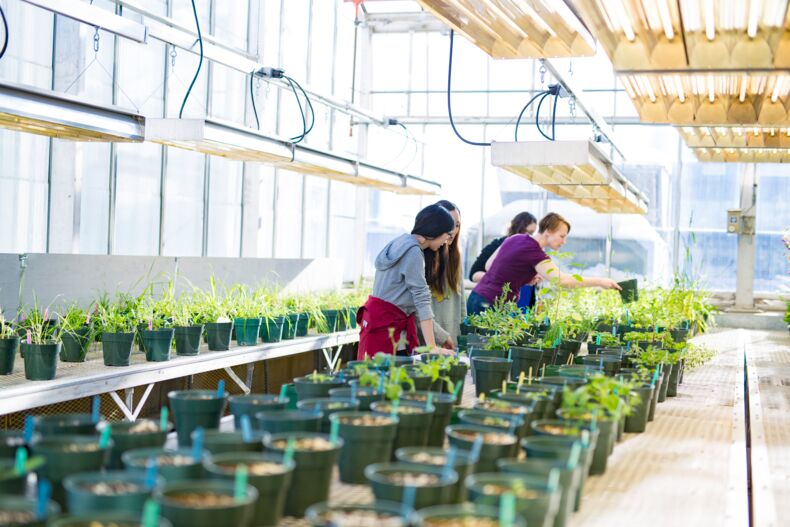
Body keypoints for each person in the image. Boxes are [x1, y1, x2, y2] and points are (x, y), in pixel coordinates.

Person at [466, 212, 620, 315]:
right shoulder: (535, 252)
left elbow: (489, 265)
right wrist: (600, 281)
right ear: (548, 231)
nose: (564, 242)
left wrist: (524, 278)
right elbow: (562, 281)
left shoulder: (515, 238)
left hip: (477, 298)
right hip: (490, 304)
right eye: (562, 236)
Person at [357, 204, 456, 359]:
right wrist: (432, 348)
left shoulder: (400, 242)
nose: (447, 240)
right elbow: (421, 299)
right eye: (447, 234)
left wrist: (440, 337)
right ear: (436, 230)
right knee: (384, 379)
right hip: (387, 328)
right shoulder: (413, 252)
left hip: (376, 323)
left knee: (373, 378)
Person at [417, 200, 466, 350]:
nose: (452, 231)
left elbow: (461, 303)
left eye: (457, 225)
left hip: (450, 342)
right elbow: (418, 309)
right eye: (450, 224)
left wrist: (462, 336)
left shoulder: (455, 258)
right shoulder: (421, 256)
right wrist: (440, 336)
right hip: (427, 340)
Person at [469, 212, 537, 283]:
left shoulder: (528, 250)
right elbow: (473, 274)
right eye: (527, 232)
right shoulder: (499, 244)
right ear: (518, 229)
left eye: (532, 233)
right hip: (495, 289)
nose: (529, 236)